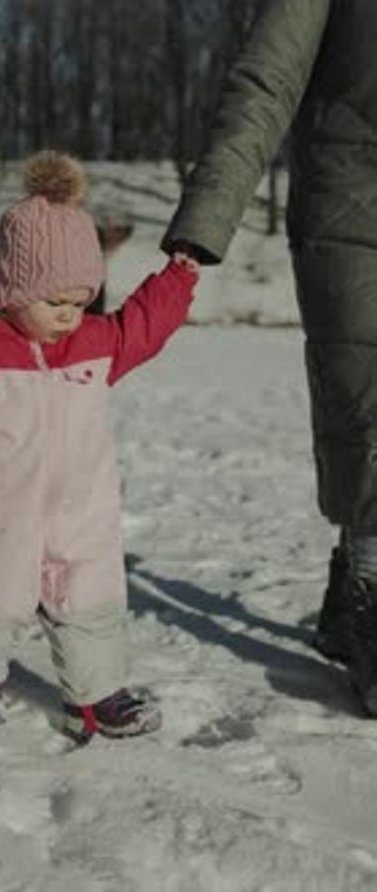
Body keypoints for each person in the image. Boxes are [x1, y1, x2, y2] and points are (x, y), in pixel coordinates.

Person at [0, 150, 199, 741]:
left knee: (91, 595)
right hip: (0, 516)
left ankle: (100, 691)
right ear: (10, 289)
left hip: (83, 511)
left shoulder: (94, 344)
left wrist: (177, 277)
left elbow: (142, 328)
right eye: (55, 303)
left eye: (80, 303)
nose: (70, 317)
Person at [162, 0, 377, 716]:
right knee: (363, 404)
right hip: (351, 211)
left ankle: (352, 582)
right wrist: (207, 215)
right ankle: (372, 587)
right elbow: (267, 79)